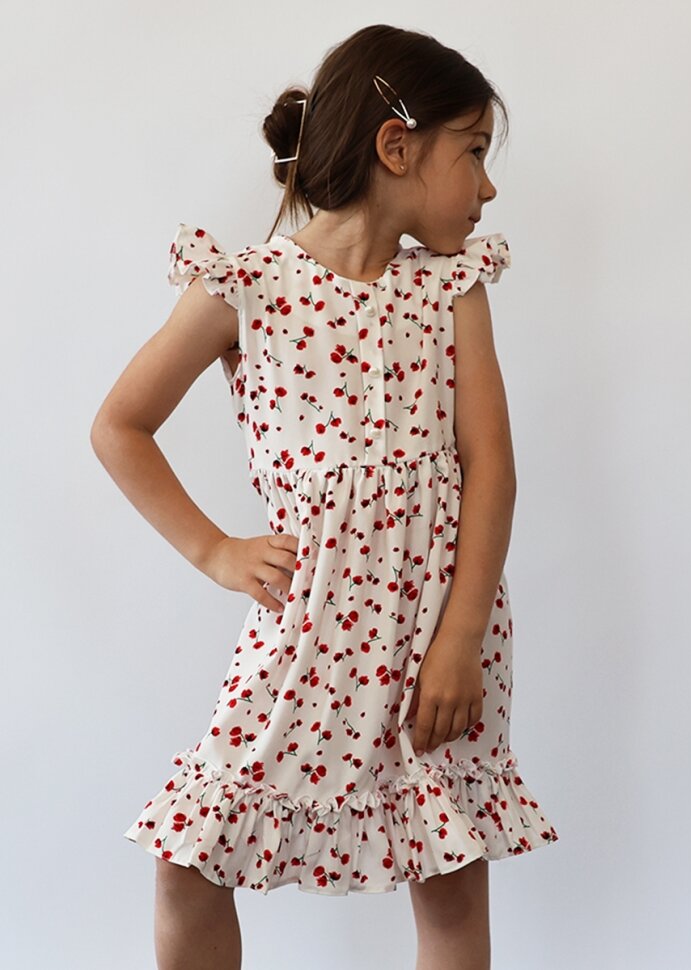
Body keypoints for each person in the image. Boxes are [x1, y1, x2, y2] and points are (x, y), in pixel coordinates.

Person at [91, 22, 559, 970]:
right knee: (191, 864)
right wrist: (216, 550)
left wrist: (462, 638)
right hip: (308, 628)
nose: (488, 187)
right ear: (397, 146)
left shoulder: (452, 289)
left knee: (449, 874)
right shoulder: (246, 288)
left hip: (439, 629)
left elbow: (491, 468)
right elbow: (120, 426)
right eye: (474, 152)